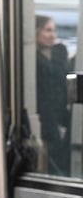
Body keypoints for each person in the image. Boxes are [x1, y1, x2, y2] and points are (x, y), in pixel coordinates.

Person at [36, 14, 71, 175]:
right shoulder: (33, 59)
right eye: (47, 30)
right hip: (43, 117)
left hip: (59, 116)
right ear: (37, 32)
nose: (52, 35)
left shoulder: (58, 53)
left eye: (54, 31)